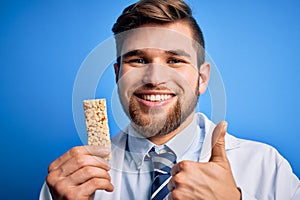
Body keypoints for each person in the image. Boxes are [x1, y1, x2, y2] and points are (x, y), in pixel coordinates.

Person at [40, 0, 300, 199]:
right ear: (118, 75)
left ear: (202, 78)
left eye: (175, 60)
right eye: (139, 60)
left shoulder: (265, 166)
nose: (154, 78)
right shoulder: (75, 180)